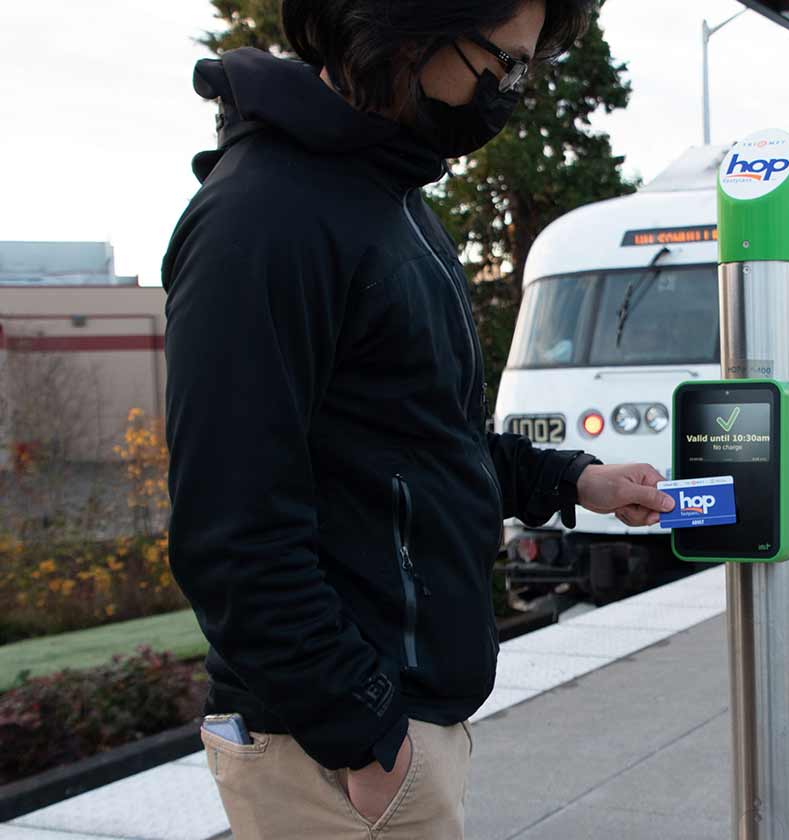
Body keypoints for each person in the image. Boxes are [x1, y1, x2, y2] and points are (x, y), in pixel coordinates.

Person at [161, 1, 674, 836]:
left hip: (387, 729)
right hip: (330, 751)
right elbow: (230, 531)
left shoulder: (388, 198)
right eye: (504, 63)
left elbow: (430, 437)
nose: (514, 90)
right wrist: (365, 737)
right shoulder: (264, 219)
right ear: (409, 21)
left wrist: (577, 480)